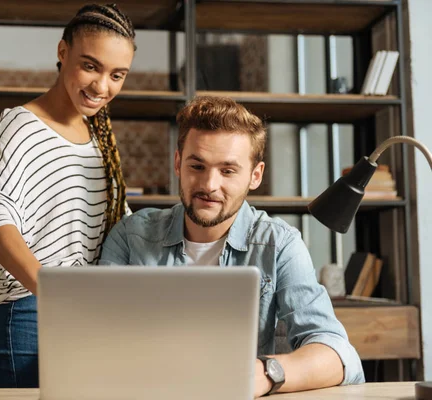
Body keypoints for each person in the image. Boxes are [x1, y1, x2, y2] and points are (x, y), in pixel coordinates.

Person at [99, 96, 365, 397]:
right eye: (197, 166)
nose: (209, 185)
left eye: (227, 171)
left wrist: (266, 373)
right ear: (177, 163)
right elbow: (96, 341)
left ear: (255, 175)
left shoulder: (279, 244)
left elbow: (339, 355)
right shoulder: (130, 236)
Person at [0, 3, 135, 388]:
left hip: (85, 311)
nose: (102, 86)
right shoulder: (22, 123)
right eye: (91, 66)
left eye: (117, 75)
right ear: (62, 53)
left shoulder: (100, 140)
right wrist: (52, 289)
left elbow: (121, 224)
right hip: (28, 314)